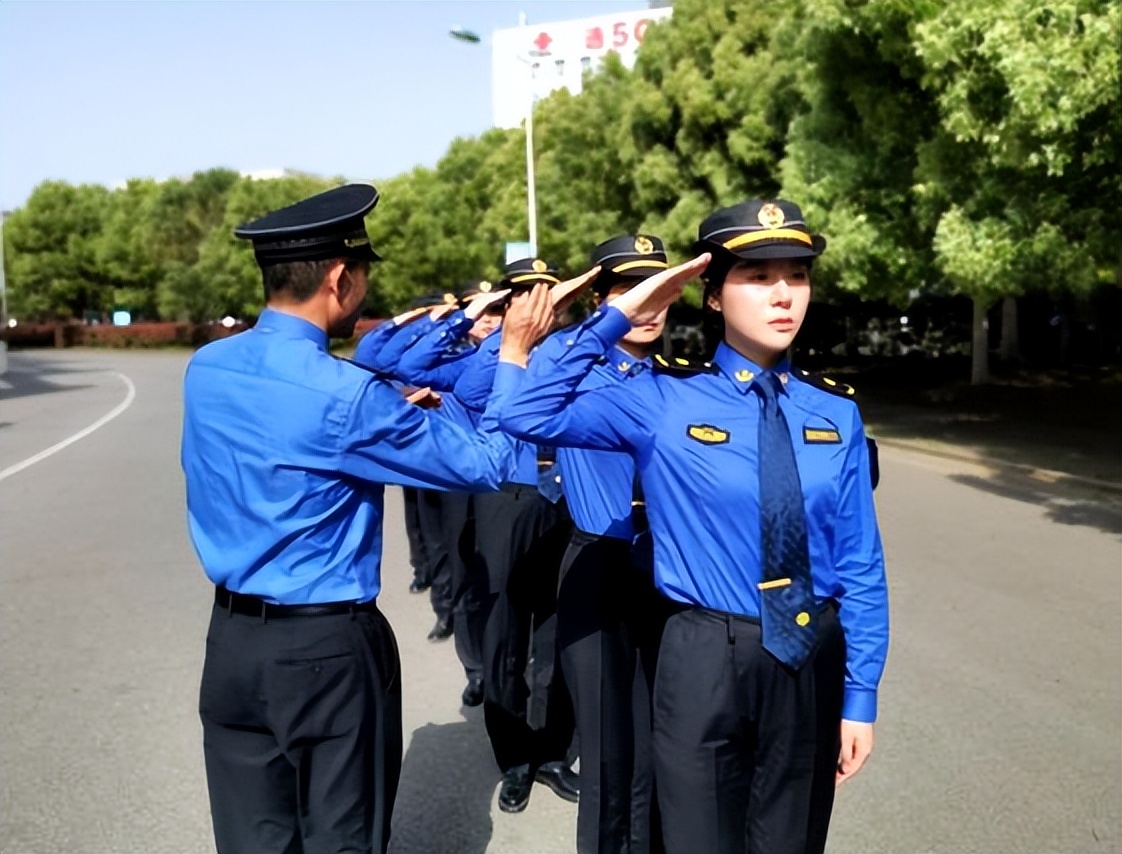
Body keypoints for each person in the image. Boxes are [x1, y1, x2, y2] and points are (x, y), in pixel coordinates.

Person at [495, 199, 889, 854]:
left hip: (808, 655)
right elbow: (521, 411)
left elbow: (860, 563)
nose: (783, 294)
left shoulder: (834, 411)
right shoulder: (661, 398)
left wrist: (861, 695)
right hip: (705, 655)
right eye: (757, 277)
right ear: (710, 295)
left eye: (797, 275)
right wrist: (616, 315)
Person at [181, 183, 553, 854]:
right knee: (344, 838)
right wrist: (516, 354)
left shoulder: (208, 367)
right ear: (340, 278)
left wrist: (385, 413)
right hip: (325, 649)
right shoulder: (347, 395)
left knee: (253, 840)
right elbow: (490, 462)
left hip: (232, 645)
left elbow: (286, 432)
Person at [541, 234, 673, 854]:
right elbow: (507, 385)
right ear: (602, 300)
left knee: (656, 748)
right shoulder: (570, 373)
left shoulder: (680, 382)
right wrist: (576, 316)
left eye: (657, 291)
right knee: (606, 755)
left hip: (667, 569)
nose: (647, 306)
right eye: (629, 292)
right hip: (598, 565)